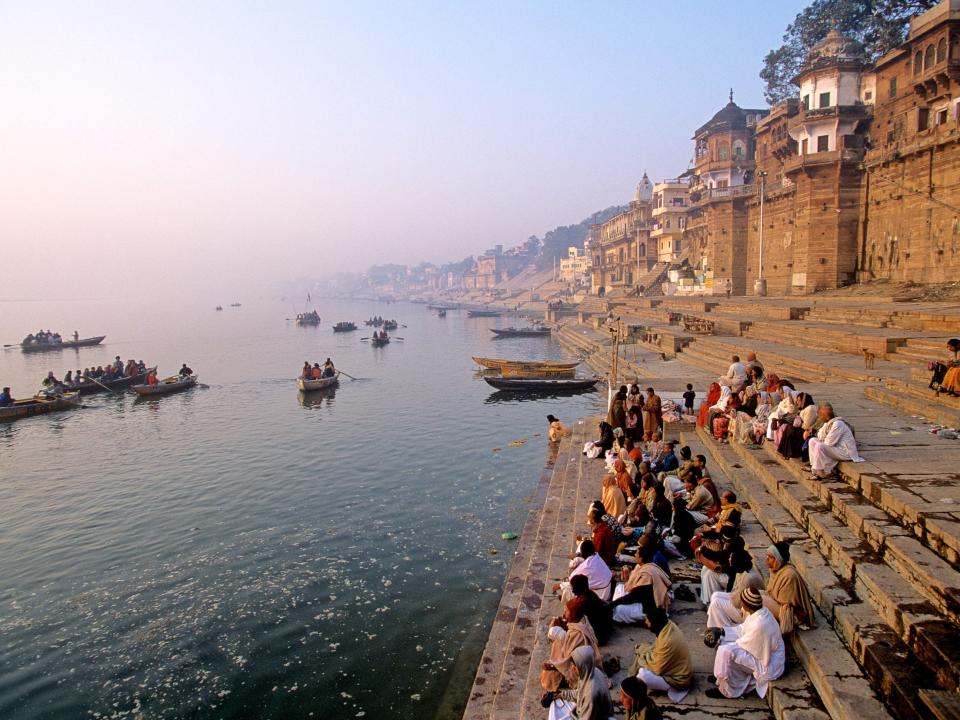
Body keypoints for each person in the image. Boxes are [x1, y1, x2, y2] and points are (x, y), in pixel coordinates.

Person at [705, 587, 785, 699]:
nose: (741, 605)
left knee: (726, 651)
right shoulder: (760, 612)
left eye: (742, 602)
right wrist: (720, 631)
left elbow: (746, 647)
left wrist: (722, 640)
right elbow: (742, 630)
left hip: (769, 665)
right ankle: (722, 679)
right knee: (724, 643)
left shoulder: (760, 624)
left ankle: (727, 691)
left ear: (747, 605)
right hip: (762, 655)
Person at [629, 606, 693, 702]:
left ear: (655, 622)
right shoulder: (667, 626)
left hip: (679, 680)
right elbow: (656, 650)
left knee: (642, 675)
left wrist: (642, 658)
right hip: (678, 669)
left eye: (648, 620)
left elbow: (657, 669)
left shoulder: (667, 640)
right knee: (643, 650)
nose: (646, 622)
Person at [806, 403, 864, 479]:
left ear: (825, 416)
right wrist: (823, 436)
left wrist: (823, 437)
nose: (819, 418)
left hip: (845, 452)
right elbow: (819, 435)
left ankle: (819, 471)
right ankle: (814, 468)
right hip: (836, 448)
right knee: (812, 440)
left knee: (819, 446)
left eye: (820, 416)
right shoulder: (828, 423)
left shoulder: (838, 424)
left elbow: (829, 442)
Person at [563, 574, 612, 645]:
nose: (572, 590)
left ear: (579, 588)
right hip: (602, 629)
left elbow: (575, 620)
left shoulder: (584, 602)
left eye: (574, 587)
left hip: (597, 635)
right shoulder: (589, 594)